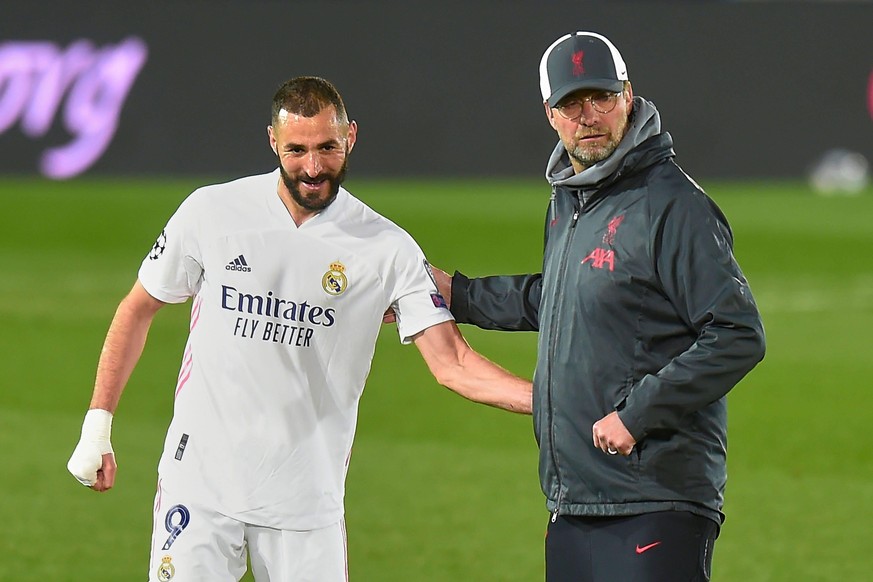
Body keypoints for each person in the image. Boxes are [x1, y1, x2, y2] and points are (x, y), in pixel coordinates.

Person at [67, 76, 532, 582]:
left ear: (350, 137)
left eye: (328, 148)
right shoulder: (211, 212)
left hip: (306, 505)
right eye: (297, 150)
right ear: (273, 142)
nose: (313, 167)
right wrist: (97, 425)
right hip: (199, 490)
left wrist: (553, 401)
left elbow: (455, 364)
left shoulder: (386, 249)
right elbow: (138, 307)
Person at [433, 31, 766, 581]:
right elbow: (566, 297)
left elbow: (737, 333)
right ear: (550, 114)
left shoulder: (674, 205)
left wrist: (638, 414)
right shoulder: (571, 199)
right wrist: (462, 296)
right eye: (571, 103)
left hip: (654, 497)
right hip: (575, 500)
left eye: (601, 98)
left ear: (628, 96)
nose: (588, 115)